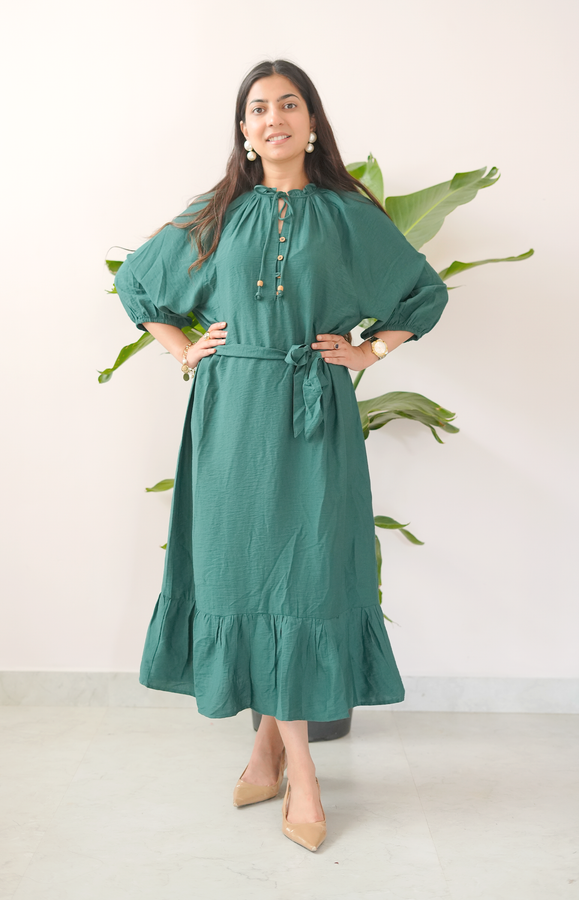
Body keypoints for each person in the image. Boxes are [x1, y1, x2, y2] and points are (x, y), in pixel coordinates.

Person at [114, 58, 448, 852]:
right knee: (240, 573)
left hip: (313, 415)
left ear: (312, 121)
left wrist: (371, 353)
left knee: (301, 577)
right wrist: (186, 348)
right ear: (243, 129)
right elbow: (138, 284)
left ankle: (282, 755)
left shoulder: (346, 215)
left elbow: (422, 292)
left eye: (289, 104)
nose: (274, 119)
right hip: (231, 417)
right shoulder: (219, 212)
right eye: (259, 108)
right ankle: (293, 760)